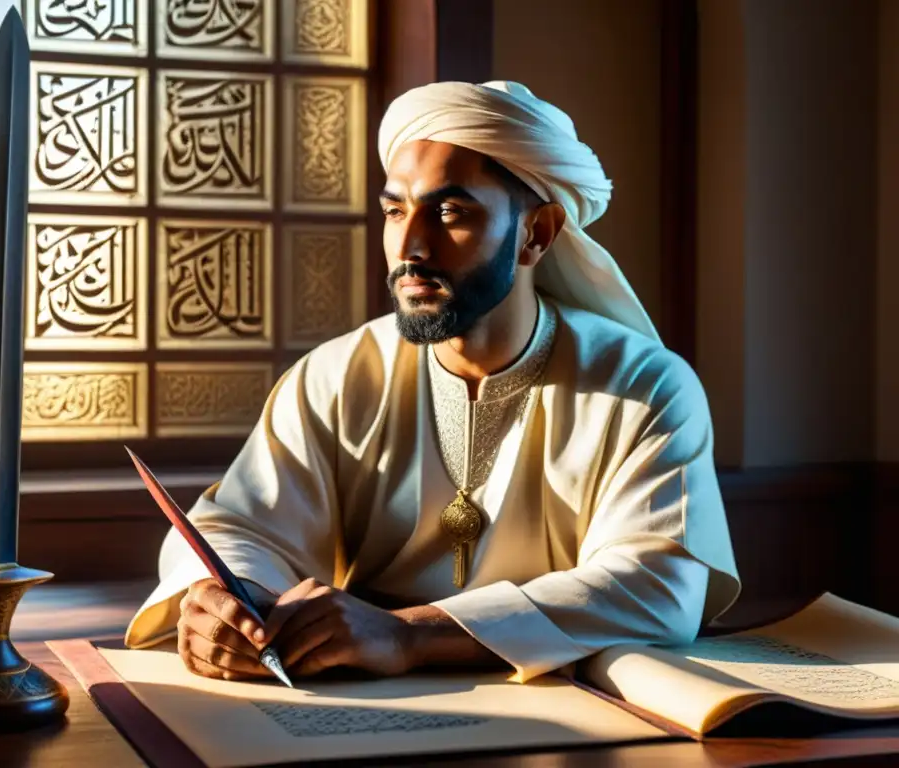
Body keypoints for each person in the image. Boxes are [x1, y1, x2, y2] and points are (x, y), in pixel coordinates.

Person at [125, 80, 740, 684]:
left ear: (537, 234)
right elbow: (240, 525)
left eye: (450, 212)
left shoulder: (643, 386)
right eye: (396, 211)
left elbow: (656, 584)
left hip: (560, 705)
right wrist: (235, 603)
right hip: (355, 704)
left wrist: (411, 635)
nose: (410, 245)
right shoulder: (335, 377)